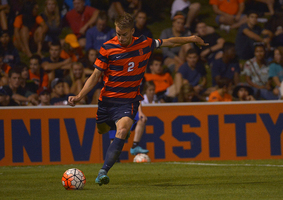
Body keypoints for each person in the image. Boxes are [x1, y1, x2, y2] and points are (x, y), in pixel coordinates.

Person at [67, 12, 207, 186]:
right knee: (102, 129)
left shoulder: (144, 43)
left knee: (122, 131)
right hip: (107, 101)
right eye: (117, 33)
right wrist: (80, 96)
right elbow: (96, 75)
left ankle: (103, 171)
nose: (120, 37)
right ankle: (110, 133)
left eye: (124, 34)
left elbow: (169, 42)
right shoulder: (107, 48)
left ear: (132, 31)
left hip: (128, 101)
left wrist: (192, 38)